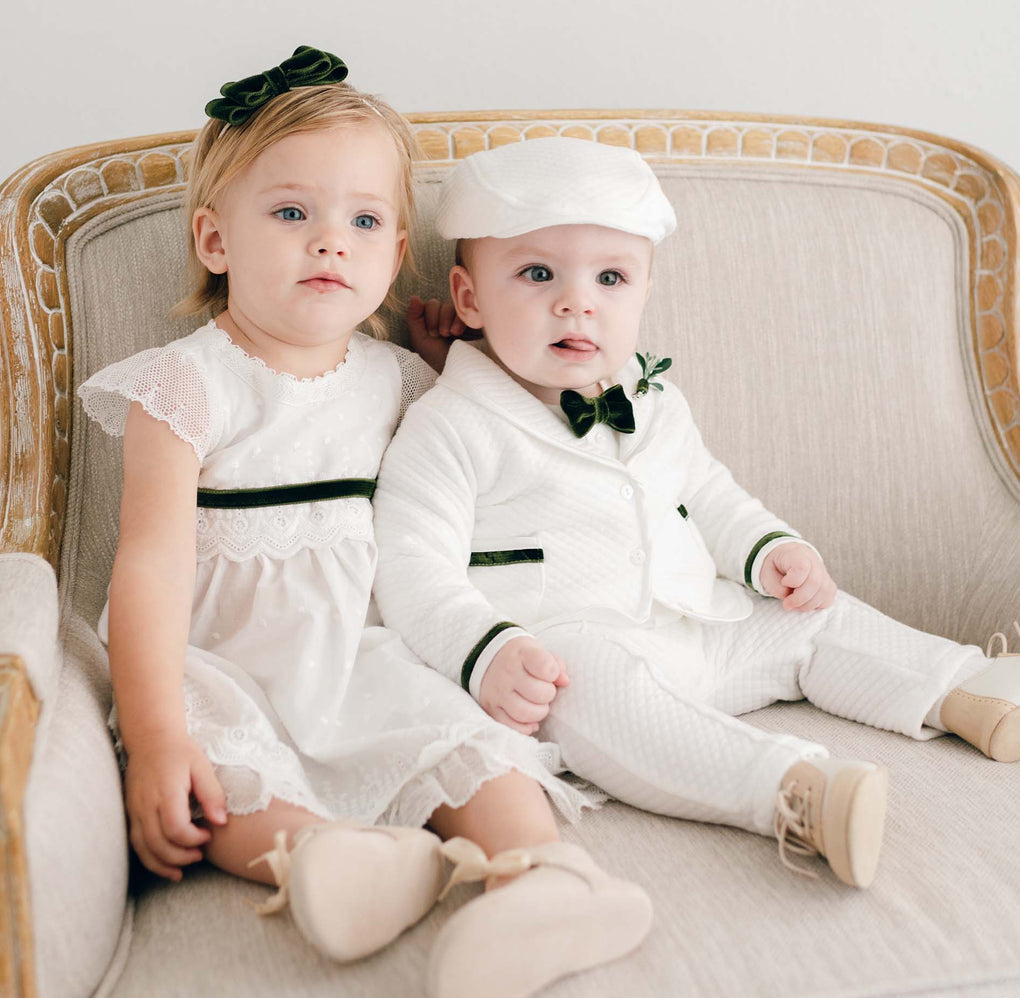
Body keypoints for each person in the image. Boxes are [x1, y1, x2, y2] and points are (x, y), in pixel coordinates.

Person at [79, 49, 652, 998]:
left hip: (360, 649)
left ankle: (551, 878)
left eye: (365, 221)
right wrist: (156, 729)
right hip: (225, 660)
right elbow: (149, 564)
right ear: (216, 239)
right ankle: (332, 862)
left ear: (393, 258)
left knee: (457, 737)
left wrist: (456, 357)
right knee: (218, 774)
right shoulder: (184, 386)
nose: (330, 243)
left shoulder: (401, 381)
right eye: (293, 213)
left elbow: (502, 452)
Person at [373, 136, 1018, 895]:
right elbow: (411, 563)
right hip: (570, 653)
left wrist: (767, 548)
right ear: (470, 297)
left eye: (611, 277)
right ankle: (797, 791)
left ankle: (965, 688)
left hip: (698, 628)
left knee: (812, 616)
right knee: (588, 697)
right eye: (537, 273)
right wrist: (486, 652)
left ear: (643, 294)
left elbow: (710, 493)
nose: (576, 301)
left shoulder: (655, 402)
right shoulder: (450, 425)